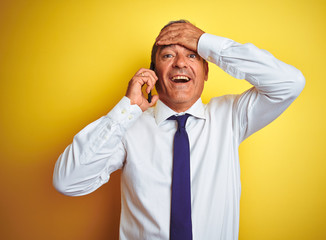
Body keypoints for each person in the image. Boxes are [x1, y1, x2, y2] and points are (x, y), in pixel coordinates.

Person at [53, 20, 305, 239]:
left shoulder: (231, 116)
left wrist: (205, 42)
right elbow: (68, 181)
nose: (180, 63)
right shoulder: (129, 127)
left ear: (206, 71)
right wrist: (127, 109)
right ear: (153, 73)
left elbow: (290, 83)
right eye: (167, 56)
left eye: (193, 55)